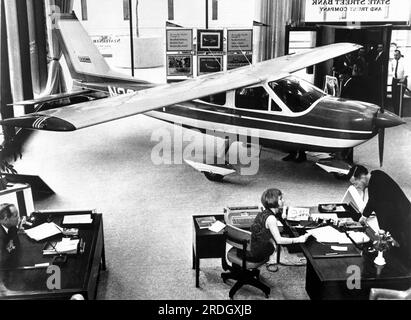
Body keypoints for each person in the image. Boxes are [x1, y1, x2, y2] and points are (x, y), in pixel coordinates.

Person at [347, 166, 411, 264]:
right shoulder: (376, 176)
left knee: (404, 255)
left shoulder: (377, 183)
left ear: (362, 177)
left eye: (355, 184)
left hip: (404, 220)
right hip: (402, 215)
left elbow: (382, 212)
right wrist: (364, 216)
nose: (356, 187)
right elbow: (373, 199)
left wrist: (383, 235)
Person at [248, 189, 310, 272]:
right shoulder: (271, 218)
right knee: (295, 258)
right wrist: (299, 239)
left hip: (253, 244)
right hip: (258, 253)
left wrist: (283, 211)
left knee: (282, 246)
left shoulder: (264, 212)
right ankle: (271, 260)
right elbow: (279, 240)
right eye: (281, 199)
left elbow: (278, 213)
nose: (283, 200)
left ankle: (276, 256)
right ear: (274, 201)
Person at [390, 50, 408, 116]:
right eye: (394, 55)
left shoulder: (404, 61)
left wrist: (403, 78)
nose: (395, 56)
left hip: (402, 80)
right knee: (394, 98)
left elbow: (407, 70)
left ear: (400, 54)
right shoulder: (393, 61)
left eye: (396, 55)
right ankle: (396, 114)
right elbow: (392, 69)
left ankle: (400, 115)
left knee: (399, 98)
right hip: (395, 80)